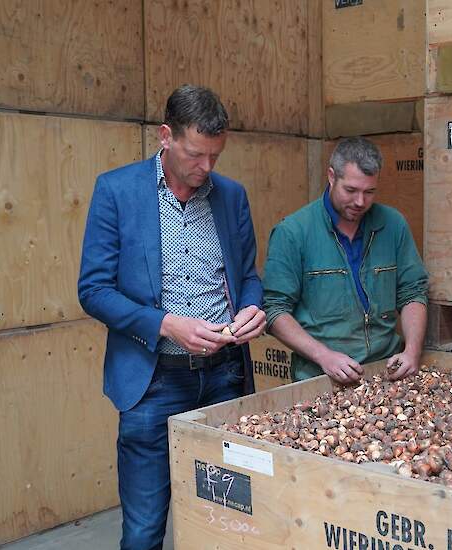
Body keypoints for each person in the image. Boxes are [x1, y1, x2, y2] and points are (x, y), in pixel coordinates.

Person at [78, 84, 266, 549]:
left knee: (226, 525)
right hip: (153, 383)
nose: (207, 168)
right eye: (197, 155)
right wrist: (165, 324)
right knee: (144, 530)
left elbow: (249, 277)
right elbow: (93, 290)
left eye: (216, 157)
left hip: (225, 379)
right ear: (166, 136)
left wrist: (251, 310)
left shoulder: (231, 196)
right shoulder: (117, 191)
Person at [263, 136, 428, 383]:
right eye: (350, 190)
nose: (360, 201)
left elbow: (413, 292)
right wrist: (324, 356)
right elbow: (275, 311)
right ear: (331, 176)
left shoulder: (393, 225)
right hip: (320, 377)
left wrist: (412, 351)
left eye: (369, 192)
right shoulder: (293, 232)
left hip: (386, 371)